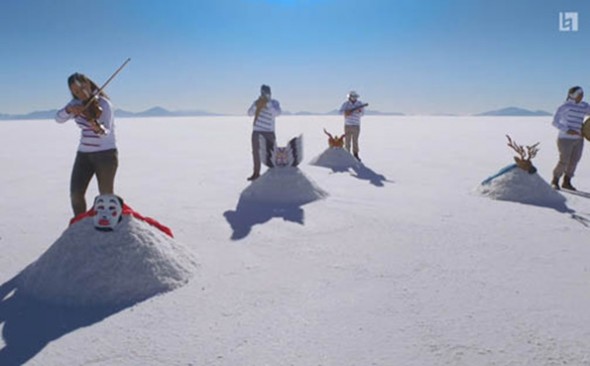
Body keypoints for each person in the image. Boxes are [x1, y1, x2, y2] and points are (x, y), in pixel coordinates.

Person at [55, 72, 118, 216]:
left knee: (106, 197)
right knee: (76, 195)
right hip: (83, 155)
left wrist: (98, 128)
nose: (81, 93)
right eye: (76, 91)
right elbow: (58, 119)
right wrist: (69, 110)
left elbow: (106, 131)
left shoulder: (103, 104)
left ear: (89, 84)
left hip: (105, 155)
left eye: (83, 87)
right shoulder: (74, 104)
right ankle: (80, 226)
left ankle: (108, 229)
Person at [550, 86, 590, 190]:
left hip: (579, 139)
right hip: (565, 139)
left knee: (574, 161)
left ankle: (567, 182)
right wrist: (567, 130)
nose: (581, 96)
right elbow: (555, 122)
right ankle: (555, 180)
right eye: (579, 94)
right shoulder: (564, 106)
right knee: (564, 161)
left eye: (582, 94)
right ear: (573, 95)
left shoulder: (584, 106)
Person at [246, 84, 281, 181]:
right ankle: (256, 173)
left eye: (267, 93)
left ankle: (274, 172)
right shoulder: (256, 103)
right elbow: (249, 113)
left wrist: (268, 104)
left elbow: (277, 113)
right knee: (256, 153)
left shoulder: (274, 103)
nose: (265, 95)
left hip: (269, 132)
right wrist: (255, 106)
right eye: (263, 93)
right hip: (257, 131)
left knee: (272, 152)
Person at [339, 90, 365, 161]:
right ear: (349, 97)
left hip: (356, 125)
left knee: (355, 141)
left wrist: (359, 111)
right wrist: (346, 113)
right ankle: (347, 155)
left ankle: (355, 155)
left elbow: (362, 114)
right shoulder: (345, 104)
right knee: (347, 141)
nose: (354, 98)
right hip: (347, 125)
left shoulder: (360, 104)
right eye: (352, 97)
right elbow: (340, 112)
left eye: (355, 97)